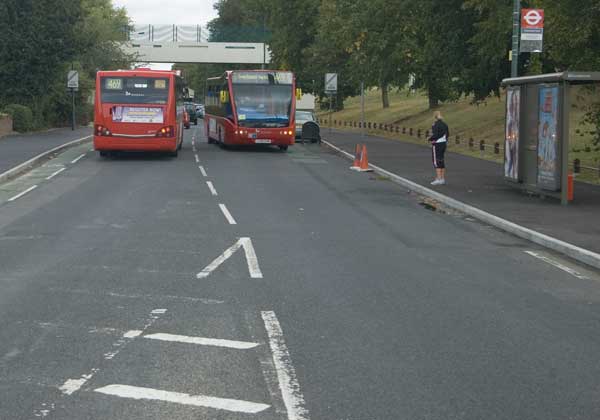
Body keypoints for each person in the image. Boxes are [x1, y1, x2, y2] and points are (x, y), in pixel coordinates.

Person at [428, 111, 449, 185]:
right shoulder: (444, 124)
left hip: (437, 144)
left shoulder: (435, 125)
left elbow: (436, 134)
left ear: (434, 117)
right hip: (443, 143)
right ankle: (442, 178)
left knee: (436, 161)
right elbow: (447, 134)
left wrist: (430, 139)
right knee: (441, 160)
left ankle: (439, 179)